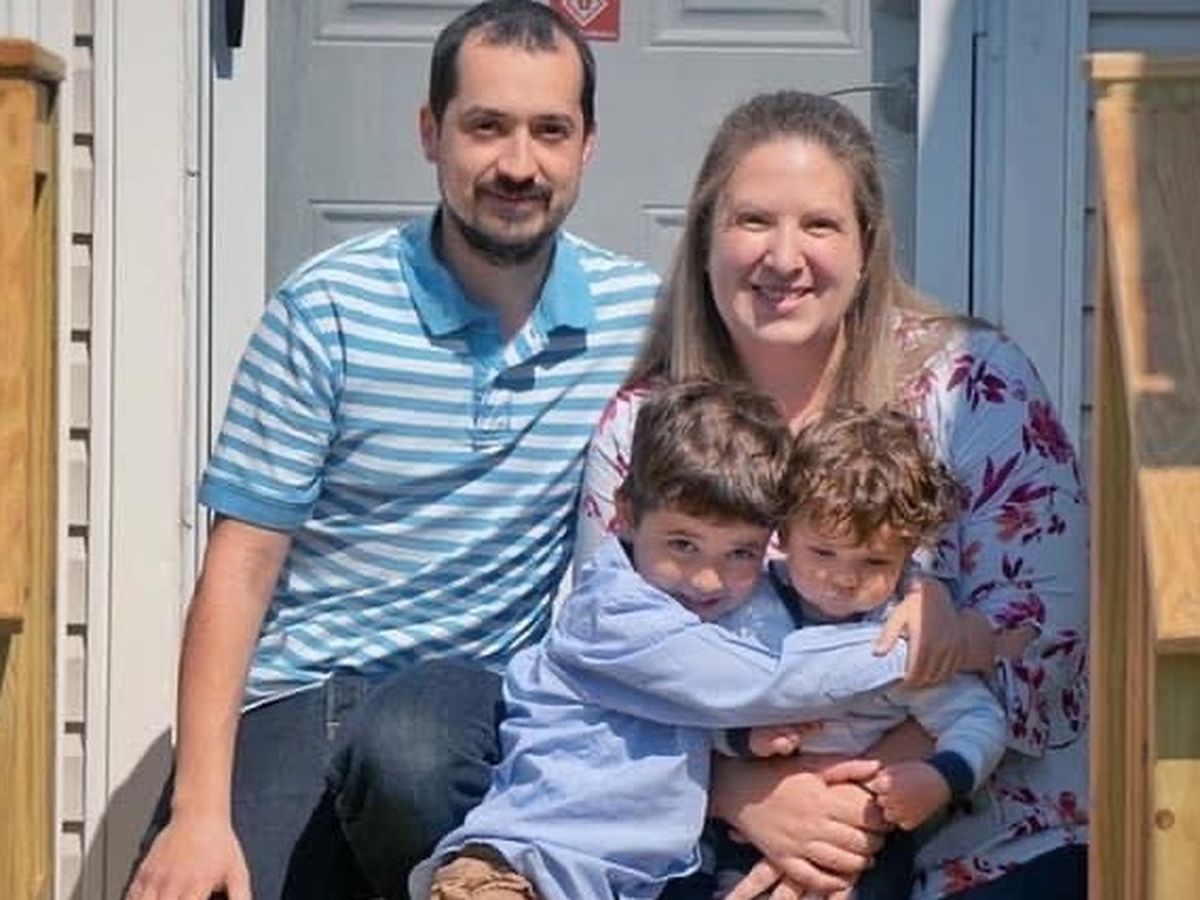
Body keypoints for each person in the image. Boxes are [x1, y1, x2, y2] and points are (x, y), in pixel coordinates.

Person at [127, 3, 657, 898]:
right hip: (305, 691)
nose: (518, 164)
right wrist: (199, 811)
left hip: (475, 712)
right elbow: (240, 569)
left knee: (412, 754)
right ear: (430, 132)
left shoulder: (637, 319)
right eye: (485, 126)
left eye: (549, 131)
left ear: (587, 146)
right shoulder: (329, 309)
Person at [577, 90, 1089, 899]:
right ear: (705, 239)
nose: (784, 258)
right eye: (753, 221)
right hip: (712, 832)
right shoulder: (646, 424)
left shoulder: (973, 385)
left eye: (819, 225)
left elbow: (1050, 642)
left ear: (867, 245)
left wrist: (850, 806)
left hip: (979, 827)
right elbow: (602, 651)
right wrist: (748, 794)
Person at [410, 380, 921, 900]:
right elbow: (767, 681)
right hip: (532, 865)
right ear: (628, 514)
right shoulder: (615, 614)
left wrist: (743, 742)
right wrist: (910, 647)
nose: (708, 580)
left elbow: (686, 724)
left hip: (624, 880)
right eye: (682, 544)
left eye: (741, 553)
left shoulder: (717, 617)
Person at [710, 405, 1007, 900]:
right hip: (752, 821)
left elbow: (977, 718)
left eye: (873, 561)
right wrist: (742, 738)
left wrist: (941, 777)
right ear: (783, 534)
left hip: (867, 835)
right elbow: (693, 702)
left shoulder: (902, 634)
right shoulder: (747, 614)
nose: (844, 577)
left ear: (909, 552)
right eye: (823, 552)